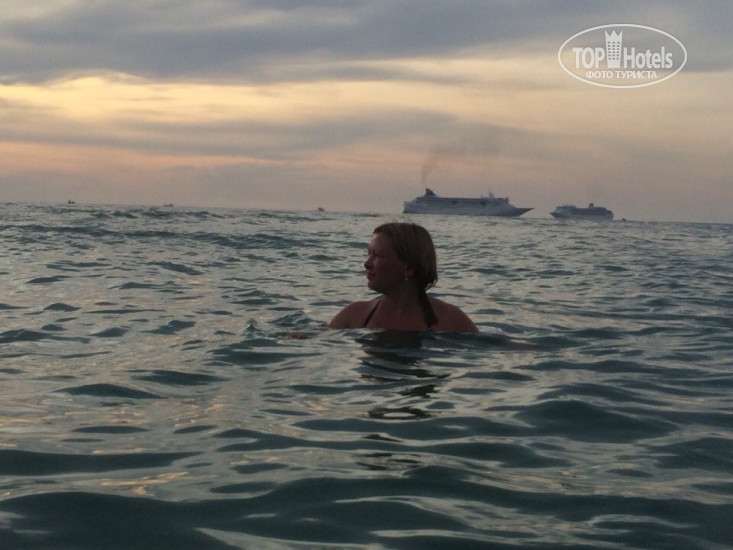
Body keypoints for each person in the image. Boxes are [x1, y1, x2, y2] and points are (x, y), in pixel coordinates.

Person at [328, 222, 478, 333]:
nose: (367, 264)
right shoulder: (354, 315)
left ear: (408, 268)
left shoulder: (451, 319)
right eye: (369, 254)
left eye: (377, 255)